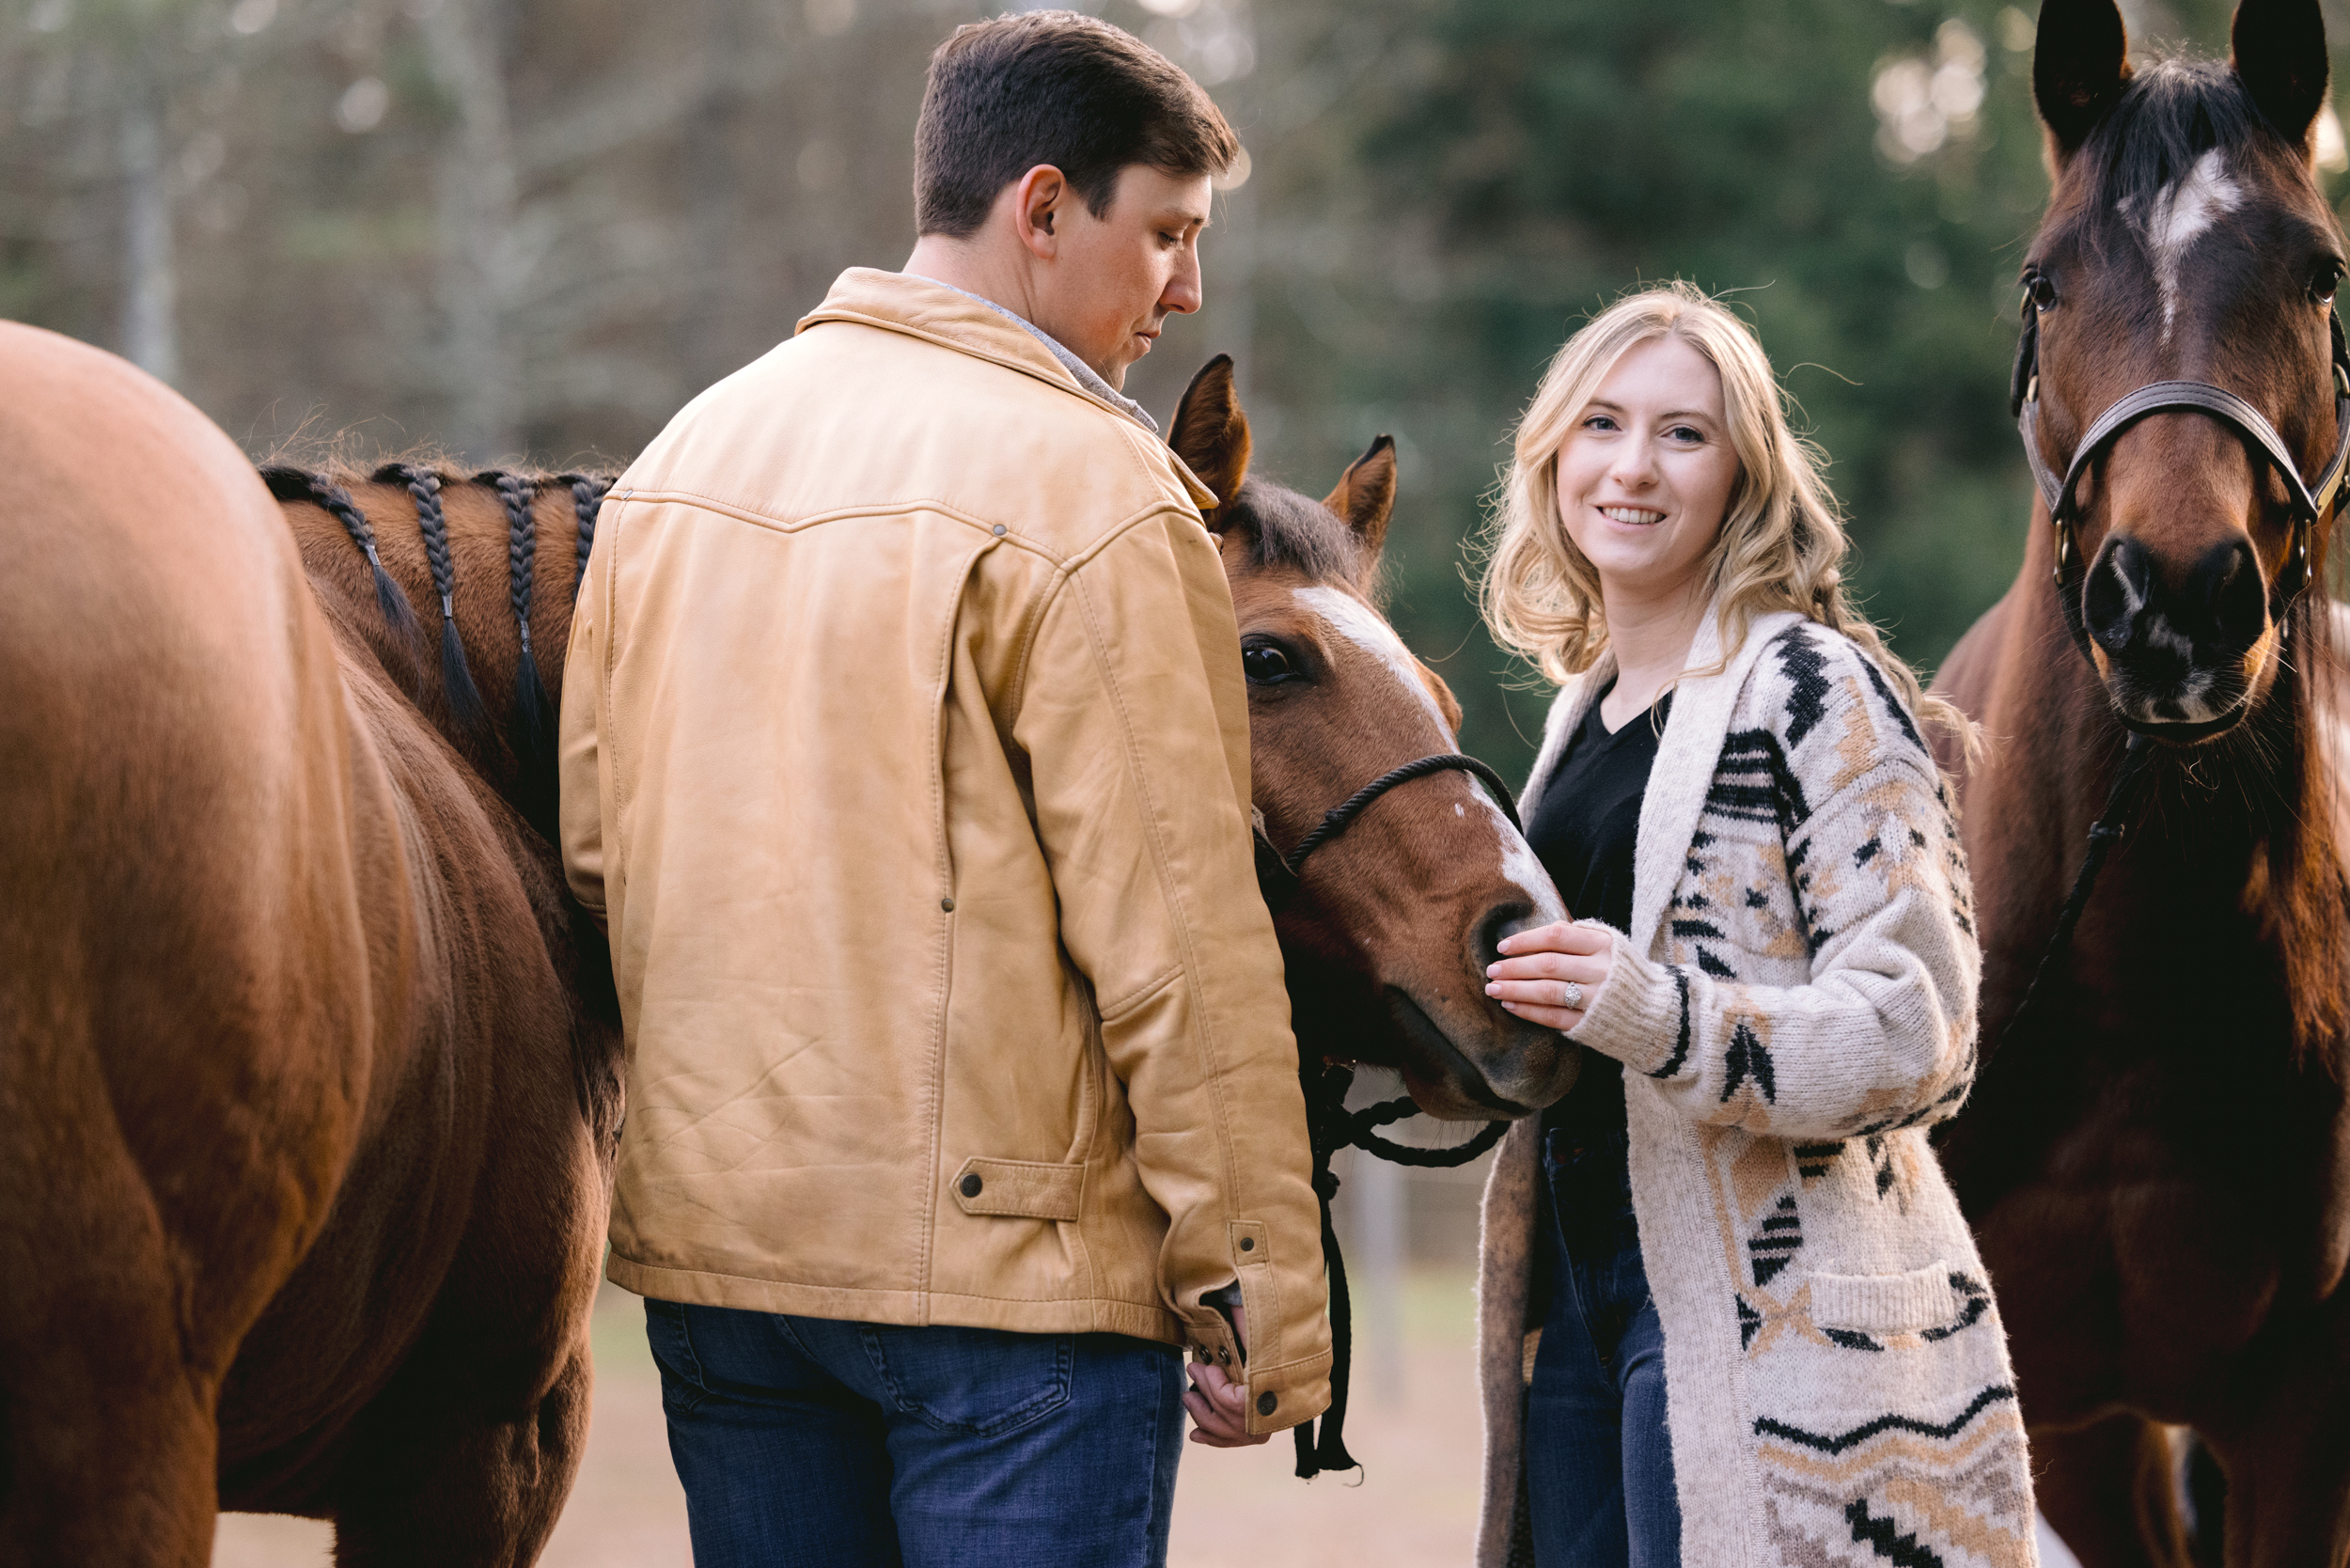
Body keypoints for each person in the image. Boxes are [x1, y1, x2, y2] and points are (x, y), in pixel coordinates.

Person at [556, 14, 1330, 1567]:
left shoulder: (679, 459)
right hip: (1016, 1302)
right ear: (1042, 209)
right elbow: (1177, 935)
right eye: (1167, 234)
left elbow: (598, 851)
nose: (1187, 292)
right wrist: (1256, 1280)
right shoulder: (1101, 489)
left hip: (729, 1282)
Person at [1469, 284, 2038, 1568]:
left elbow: (1920, 1029)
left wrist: (1659, 1013)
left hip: (1764, 1323)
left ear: (1744, 475)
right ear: (1553, 450)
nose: (1631, 466)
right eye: (1602, 424)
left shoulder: (1811, 689)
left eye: (1683, 434)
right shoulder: (1582, 716)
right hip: (1577, 1303)